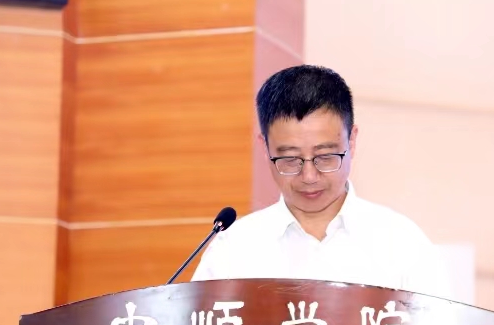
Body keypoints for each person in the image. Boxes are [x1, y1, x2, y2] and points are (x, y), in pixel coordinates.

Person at [191, 65, 453, 300]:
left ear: (352, 141)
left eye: (325, 157)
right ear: (265, 148)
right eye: (290, 159)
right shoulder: (233, 250)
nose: (309, 176)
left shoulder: (401, 243)